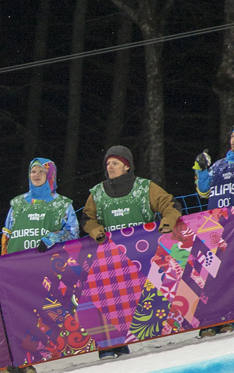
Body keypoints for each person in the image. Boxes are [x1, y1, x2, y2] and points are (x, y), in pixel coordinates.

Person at [82, 145, 183, 359]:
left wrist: (167, 220)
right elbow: (87, 218)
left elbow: (170, 203)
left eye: (115, 163)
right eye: (108, 163)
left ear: (126, 166)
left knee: (144, 298)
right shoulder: (97, 192)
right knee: (112, 300)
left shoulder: (144, 187)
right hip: (112, 257)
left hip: (144, 256)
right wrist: (94, 229)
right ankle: (111, 345)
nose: (110, 166)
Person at [0, 159, 80, 373]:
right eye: (32, 171)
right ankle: (17, 362)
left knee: (40, 314)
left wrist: (52, 238)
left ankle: (34, 356)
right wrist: (4, 260)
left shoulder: (62, 204)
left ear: (50, 175)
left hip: (47, 268)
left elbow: (72, 231)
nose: (36, 175)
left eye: (41, 172)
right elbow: (6, 234)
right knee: (15, 314)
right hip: (17, 268)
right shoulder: (18, 203)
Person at [192, 128, 234, 336]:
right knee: (211, 275)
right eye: (233, 136)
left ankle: (230, 318)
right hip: (215, 227)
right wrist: (201, 169)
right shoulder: (218, 165)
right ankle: (210, 320)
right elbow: (203, 192)